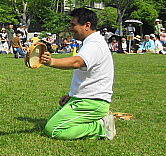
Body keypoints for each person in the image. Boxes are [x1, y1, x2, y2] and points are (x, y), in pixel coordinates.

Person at [40, 8, 116, 140]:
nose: (71, 28)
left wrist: (51, 62)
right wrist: (71, 96)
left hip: (93, 102)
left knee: (53, 129)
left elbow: (77, 62)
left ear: (87, 25)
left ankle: (101, 127)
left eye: (73, 25)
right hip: (85, 99)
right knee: (52, 120)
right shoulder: (90, 42)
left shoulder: (95, 44)